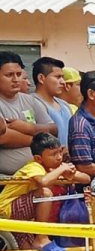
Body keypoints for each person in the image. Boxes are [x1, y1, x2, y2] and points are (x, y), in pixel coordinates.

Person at [5, 132, 88, 251]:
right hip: (9, 211)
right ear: (38, 157)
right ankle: (42, 237)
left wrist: (68, 172)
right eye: (53, 154)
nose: (59, 157)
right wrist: (61, 170)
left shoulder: (55, 169)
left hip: (23, 218)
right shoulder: (33, 167)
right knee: (45, 192)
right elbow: (43, 183)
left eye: (59, 152)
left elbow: (85, 179)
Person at [0, 51, 58, 179]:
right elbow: (3, 137)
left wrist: (29, 128)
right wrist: (39, 142)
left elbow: (53, 129)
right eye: (9, 75)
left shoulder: (30, 100)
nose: (16, 79)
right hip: (7, 179)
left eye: (19, 74)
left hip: (38, 175)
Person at [30, 57, 72, 145]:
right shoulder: (31, 103)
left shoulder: (65, 105)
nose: (63, 82)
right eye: (58, 77)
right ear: (41, 78)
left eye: (62, 77)